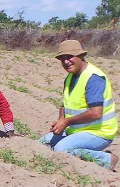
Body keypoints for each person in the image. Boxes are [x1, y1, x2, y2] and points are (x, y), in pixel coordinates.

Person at [39, 40, 119, 171]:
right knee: (42, 143)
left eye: (70, 57)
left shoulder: (93, 78)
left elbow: (96, 113)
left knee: (62, 149)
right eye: (62, 58)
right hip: (77, 131)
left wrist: (67, 122)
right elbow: (65, 103)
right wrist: (61, 119)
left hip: (99, 132)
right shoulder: (70, 77)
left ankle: (107, 160)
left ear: (81, 56)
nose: (66, 62)